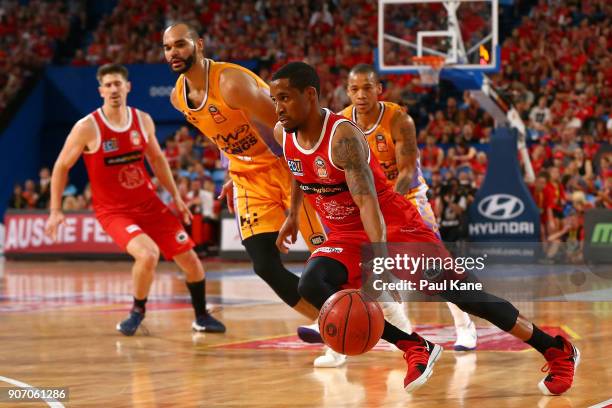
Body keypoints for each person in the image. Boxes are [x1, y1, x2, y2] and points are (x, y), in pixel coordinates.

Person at [270, 61, 578, 395]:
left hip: (395, 226)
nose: (278, 108)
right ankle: (416, 347)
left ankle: (556, 350)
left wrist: (382, 264)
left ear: (310, 95)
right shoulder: (281, 132)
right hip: (344, 235)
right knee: (312, 283)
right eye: (275, 100)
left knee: (468, 296)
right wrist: (292, 214)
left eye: (284, 98)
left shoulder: (342, 137)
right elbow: (298, 171)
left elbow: (367, 203)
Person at [44, 63, 225, 336]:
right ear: (101, 90)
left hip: (150, 205)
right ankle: (137, 312)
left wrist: (176, 197)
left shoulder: (142, 120)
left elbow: (157, 160)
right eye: (108, 85)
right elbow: (60, 166)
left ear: (128, 87)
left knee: (191, 261)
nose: (114, 89)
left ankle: (200, 317)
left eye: (118, 83)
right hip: (115, 212)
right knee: (148, 254)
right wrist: (55, 210)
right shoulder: (87, 127)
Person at [162, 23, 324, 323]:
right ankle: (328, 326)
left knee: (326, 256)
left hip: (286, 166)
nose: (174, 52)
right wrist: (231, 172)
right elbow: (221, 135)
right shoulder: (178, 98)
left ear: (198, 44)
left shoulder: (230, 83)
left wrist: (306, 178)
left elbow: (285, 130)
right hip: (247, 175)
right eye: (168, 47)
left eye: (180, 44)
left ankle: (364, 317)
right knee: (264, 265)